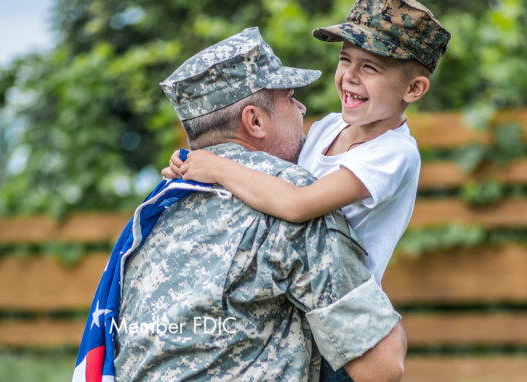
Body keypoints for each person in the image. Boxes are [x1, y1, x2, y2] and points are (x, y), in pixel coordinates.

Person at [112, 26, 406, 382]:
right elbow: (383, 369)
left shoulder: (158, 208)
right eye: (291, 98)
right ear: (254, 120)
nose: (302, 108)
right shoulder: (288, 194)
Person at [163, 0, 451, 288]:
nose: (350, 75)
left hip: (336, 301)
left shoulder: (393, 153)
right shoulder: (329, 126)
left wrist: (217, 168)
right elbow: (267, 173)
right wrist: (191, 165)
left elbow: (298, 203)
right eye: (345, 59)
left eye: (370, 68)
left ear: (414, 89)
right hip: (294, 280)